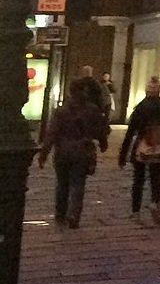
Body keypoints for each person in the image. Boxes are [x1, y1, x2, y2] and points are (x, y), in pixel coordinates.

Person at [37, 77, 109, 228]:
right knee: (78, 184)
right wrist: (103, 143)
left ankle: (60, 214)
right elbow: (102, 130)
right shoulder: (92, 110)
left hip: (62, 151)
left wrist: (44, 153)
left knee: (62, 184)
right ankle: (74, 215)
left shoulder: (61, 111)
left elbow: (52, 133)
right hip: (82, 151)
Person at [118, 76, 160, 224]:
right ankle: (155, 203)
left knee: (138, 180)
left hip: (142, 146)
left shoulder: (140, 108)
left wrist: (123, 154)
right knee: (156, 179)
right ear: (159, 91)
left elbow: (130, 132)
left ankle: (136, 212)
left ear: (146, 91)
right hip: (159, 147)